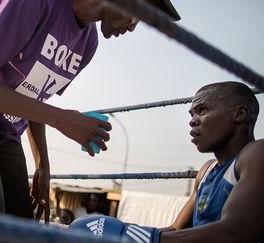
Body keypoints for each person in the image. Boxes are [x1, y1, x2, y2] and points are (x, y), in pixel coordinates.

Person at [0, 0, 180, 241]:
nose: (134, 26)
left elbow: (34, 93)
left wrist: (43, 164)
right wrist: (63, 120)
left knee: (22, 231)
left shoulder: (88, 43)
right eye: (140, 13)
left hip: (6, 127)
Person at [69, 81, 263, 242]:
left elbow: (236, 231)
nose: (193, 120)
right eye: (192, 114)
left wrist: (138, 238)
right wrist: (122, 233)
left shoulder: (256, 154)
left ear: (239, 114)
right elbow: (175, 231)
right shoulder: (206, 172)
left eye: (202, 110)